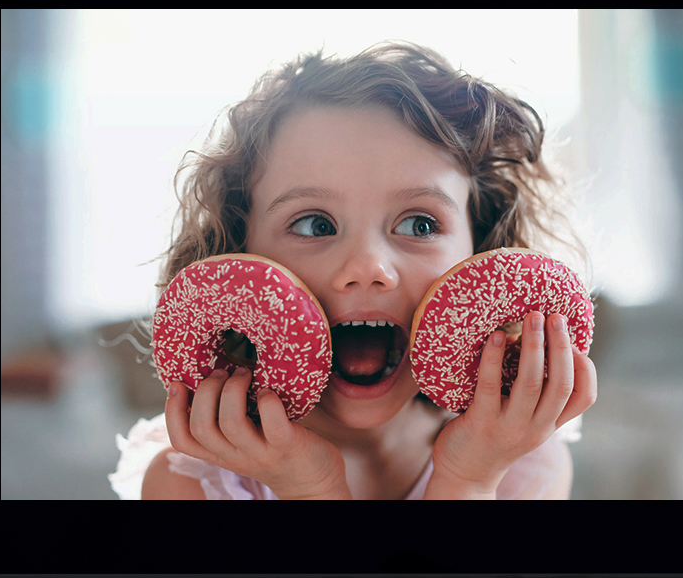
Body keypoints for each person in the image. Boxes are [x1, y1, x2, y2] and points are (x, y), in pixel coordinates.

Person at [108, 41, 597, 500]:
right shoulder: (193, 482)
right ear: (238, 251)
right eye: (315, 223)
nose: (367, 267)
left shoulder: (520, 466)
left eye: (420, 223)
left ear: (483, 248)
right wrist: (310, 489)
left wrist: (468, 480)